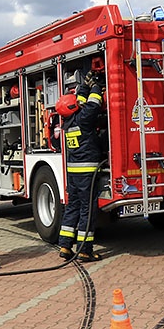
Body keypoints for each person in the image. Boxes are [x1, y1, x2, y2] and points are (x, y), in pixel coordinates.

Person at [56, 72, 105, 262]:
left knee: (72, 207)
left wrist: (84, 85)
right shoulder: (83, 118)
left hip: (74, 173)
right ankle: (85, 250)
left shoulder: (68, 123)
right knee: (87, 210)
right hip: (86, 172)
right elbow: (92, 105)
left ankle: (65, 246)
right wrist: (96, 86)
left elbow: (81, 103)